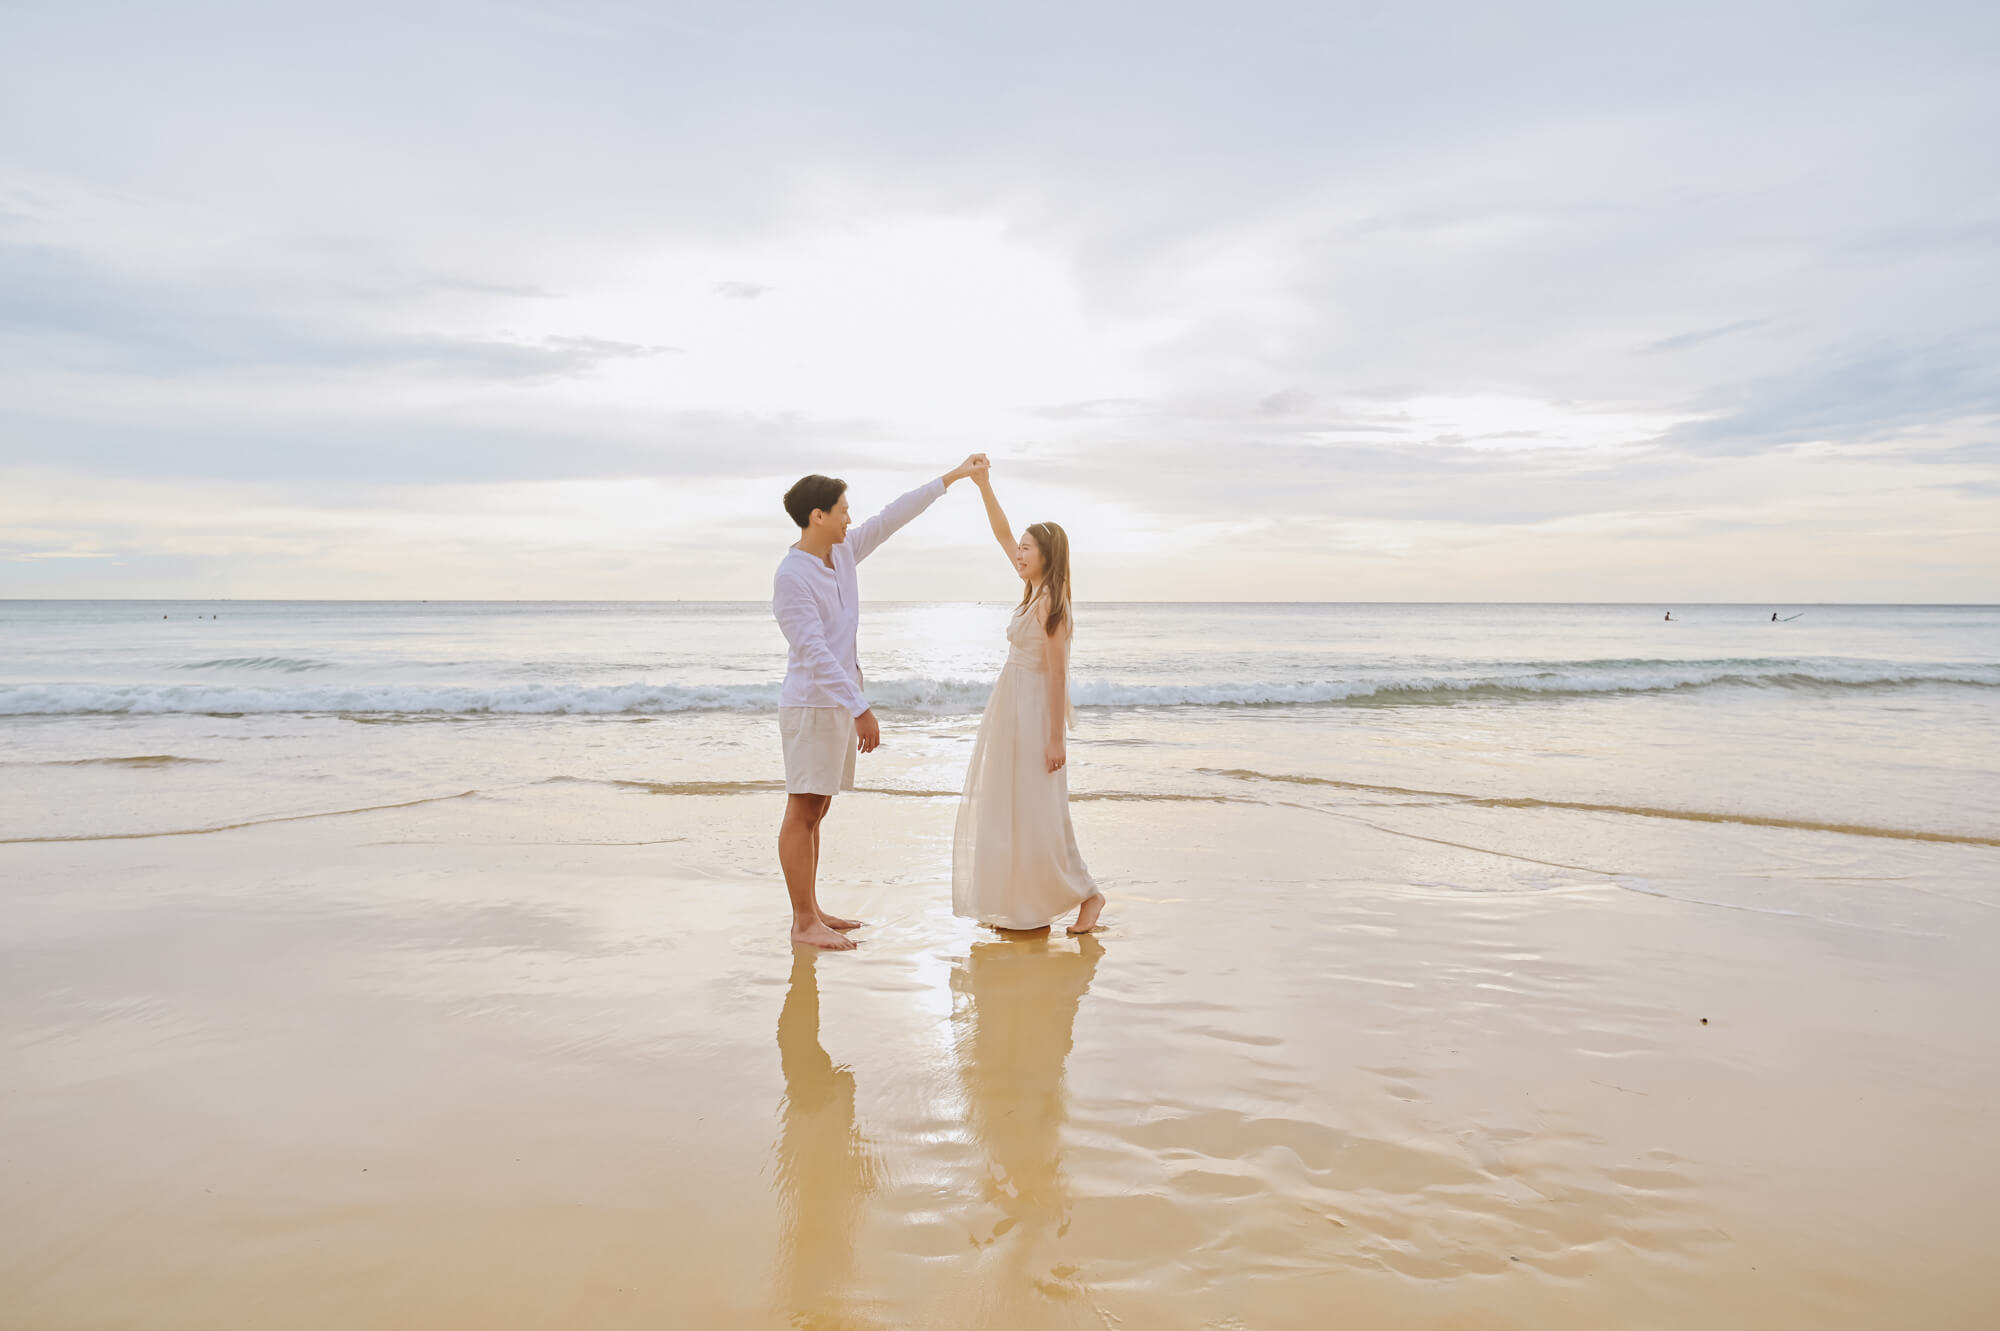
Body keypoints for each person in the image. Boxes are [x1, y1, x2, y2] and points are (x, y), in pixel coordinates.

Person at [774, 456, 989, 950]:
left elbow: (893, 516)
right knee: (802, 810)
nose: (850, 518)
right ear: (817, 516)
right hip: (811, 705)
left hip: (837, 702)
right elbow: (814, 652)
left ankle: (812, 910)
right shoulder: (791, 576)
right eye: (842, 510)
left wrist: (952, 477)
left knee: (818, 808)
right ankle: (802, 922)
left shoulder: (843, 551)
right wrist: (860, 707)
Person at [952, 467, 1105, 934]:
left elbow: (1058, 674)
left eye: (1026, 548)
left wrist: (1056, 739)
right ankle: (1026, 908)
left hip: (1036, 714)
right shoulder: (1033, 591)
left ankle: (1089, 894)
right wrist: (983, 486)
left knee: (1041, 812)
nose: (1017, 553)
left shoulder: (1052, 601)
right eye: (1018, 548)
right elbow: (1001, 533)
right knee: (1013, 808)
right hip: (1011, 710)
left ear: (1046, 556)